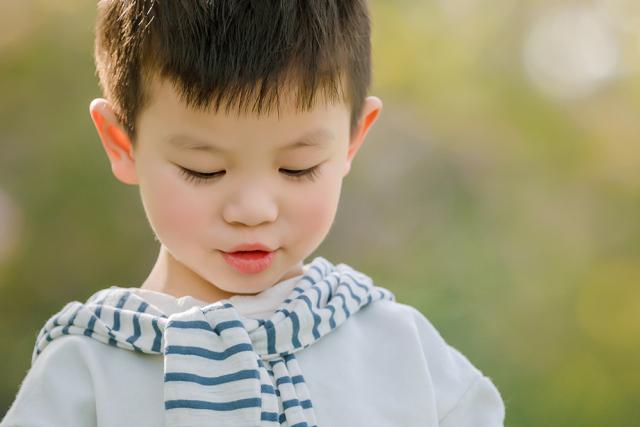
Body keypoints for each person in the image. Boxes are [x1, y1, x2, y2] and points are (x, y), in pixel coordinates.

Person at [1, 1, 505, 426]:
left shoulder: (403, 352)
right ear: (122, 143)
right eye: (203, 170)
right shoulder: (88, 371)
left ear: (353, 139)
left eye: (297, 167)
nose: (252, 211)